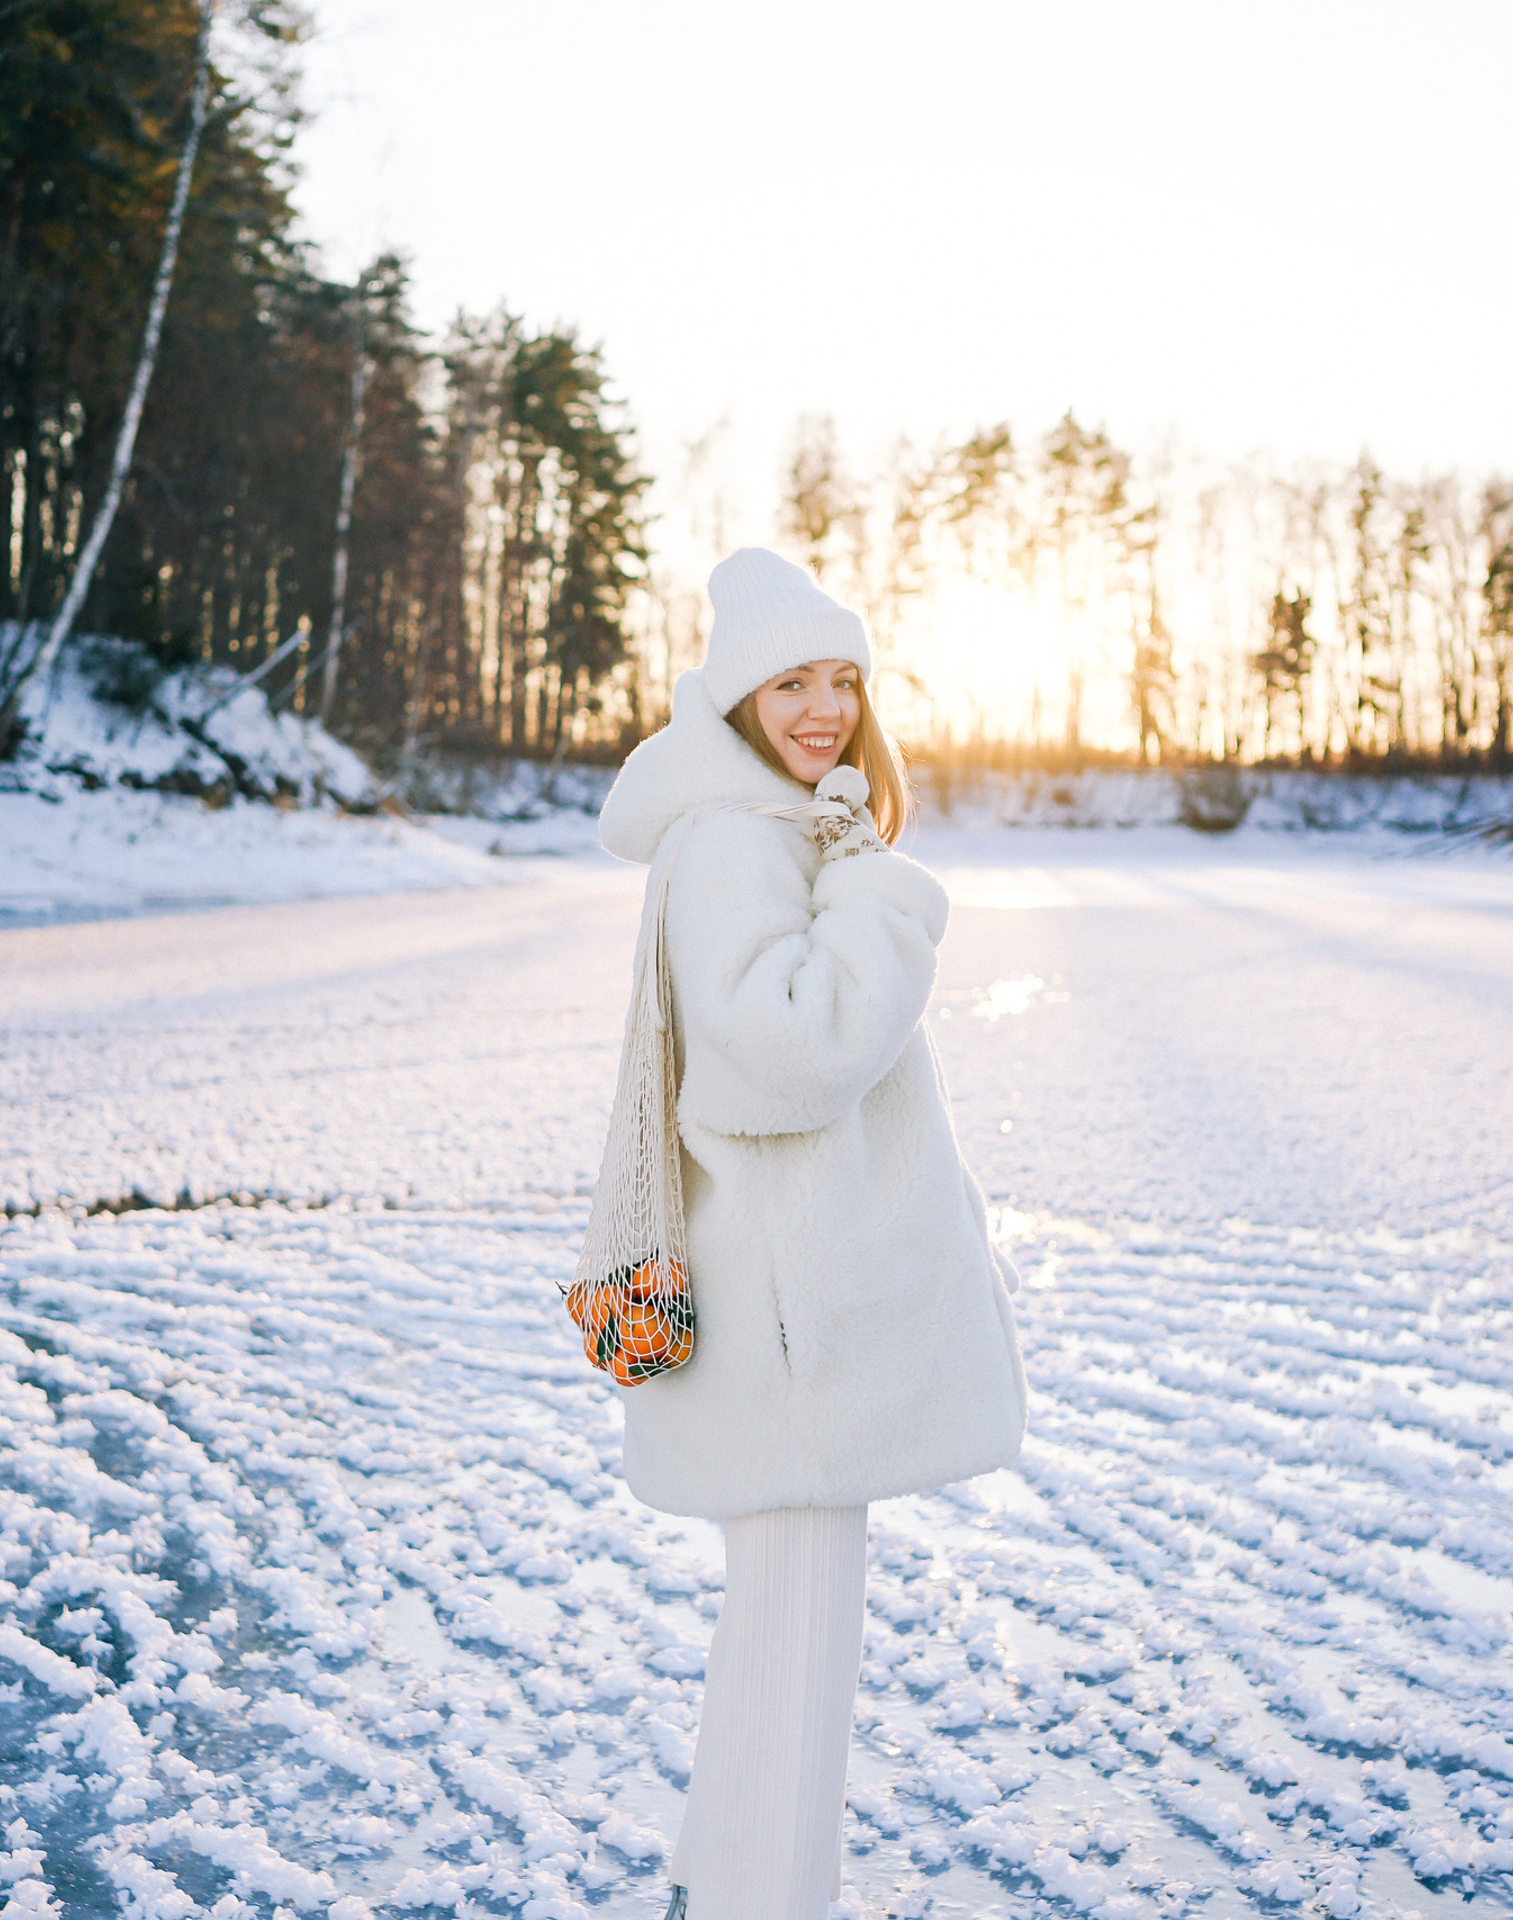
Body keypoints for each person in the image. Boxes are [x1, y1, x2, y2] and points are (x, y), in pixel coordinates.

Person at [594, 547, 1028, 1920]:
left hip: (795, 1309)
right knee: (794, 1650)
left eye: (843, 679)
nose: (825, 707)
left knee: (782, 1644)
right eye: (792, 682)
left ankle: (733, 1890)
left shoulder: (771, 827)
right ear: (736, 702)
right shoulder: (736, 840)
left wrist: (843, 857)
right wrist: (878, 894)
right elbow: (786, 1048)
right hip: (793, 1328)